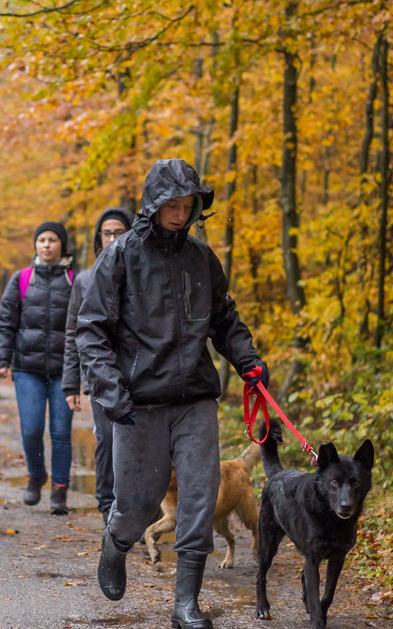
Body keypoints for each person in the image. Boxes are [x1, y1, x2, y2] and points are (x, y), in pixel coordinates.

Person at [76, 159, 267, 629]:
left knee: (200, 500)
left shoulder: (202, 259)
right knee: (137, 507)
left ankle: (186, 603)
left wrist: (247, 361)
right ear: (153, 205)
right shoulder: (120, 256)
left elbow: (223, 319)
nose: (181, 215)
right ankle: (115, 544)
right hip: (137, 403)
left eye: (188, 207)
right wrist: (110, 389)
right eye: (173, 207)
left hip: (195, 400)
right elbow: (91, 329)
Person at [0, 221, 76, 515]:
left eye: (53, 240)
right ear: (36, 245)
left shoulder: (75, 280)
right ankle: (37, 474)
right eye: (42, 240)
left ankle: (60, 489)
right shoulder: (23, 278)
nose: (47, 245)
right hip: (28, 369)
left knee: (61, 432)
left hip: (65, 370)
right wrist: (1, 359)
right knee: (31, 429)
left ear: (62, 245)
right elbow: (5, 323)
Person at [62, 207, 134, 523]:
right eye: (107, 233)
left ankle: (133, 503)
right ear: (98, 238)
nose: (113, 238)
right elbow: (73, 333)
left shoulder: (141, 274)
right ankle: (107, 506)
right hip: (99, 374)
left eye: (119, 232)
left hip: (139, 373)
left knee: (135, 442)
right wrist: (71, 384)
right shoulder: (84, 280)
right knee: (107, 441)